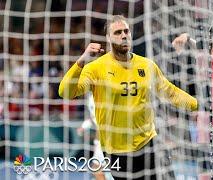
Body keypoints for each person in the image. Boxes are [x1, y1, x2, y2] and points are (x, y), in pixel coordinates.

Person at [59, 15, 198, 180]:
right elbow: (65, 92)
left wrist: (200, 106)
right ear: (108, 38)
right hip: (116, 151)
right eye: (118, 32)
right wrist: (81, 61)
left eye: (126, 31)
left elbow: (171, 92)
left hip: (148, 143)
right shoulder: (95, 68)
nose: (124, 35)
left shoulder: (147, 65)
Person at [172, 33, 213, 179]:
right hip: (211, 127)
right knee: (207, 171)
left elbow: (204, 55)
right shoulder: (210, 77)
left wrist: (188, 40)